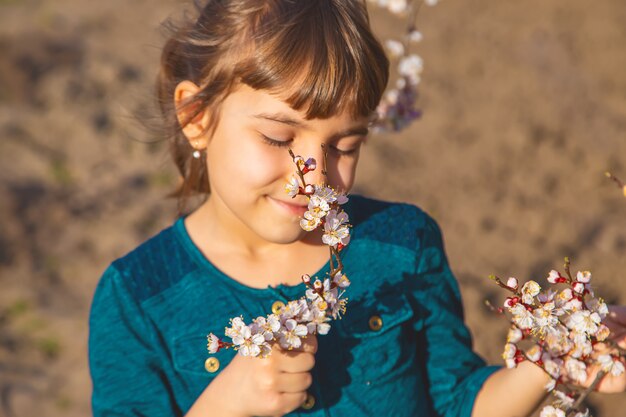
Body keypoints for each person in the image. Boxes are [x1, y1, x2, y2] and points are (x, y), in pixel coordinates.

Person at [88, 1, 626, 416]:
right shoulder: (138, 298)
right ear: (196, 115)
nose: (315, 175)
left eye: (344, 146)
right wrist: (225, 403)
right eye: (278, 138)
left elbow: (459, 403)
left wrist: (553, 363)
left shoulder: (401, 246)